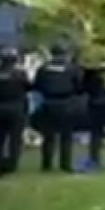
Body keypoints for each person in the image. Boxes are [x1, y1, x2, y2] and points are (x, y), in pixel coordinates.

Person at [32, 43, 82, 173]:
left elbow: (37, 85)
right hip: (66, 102)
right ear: (65, 53)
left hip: (48, 102)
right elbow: (79, 86)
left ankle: (46, 164)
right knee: (66, 136)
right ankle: (65, 164)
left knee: (48, 135)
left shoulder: (43, 68)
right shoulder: (72, 68)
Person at [0, 47, 29, 170]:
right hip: (16, 107)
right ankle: (12, 164)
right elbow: (27, 87)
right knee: (15, 138)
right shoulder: (20, 74)